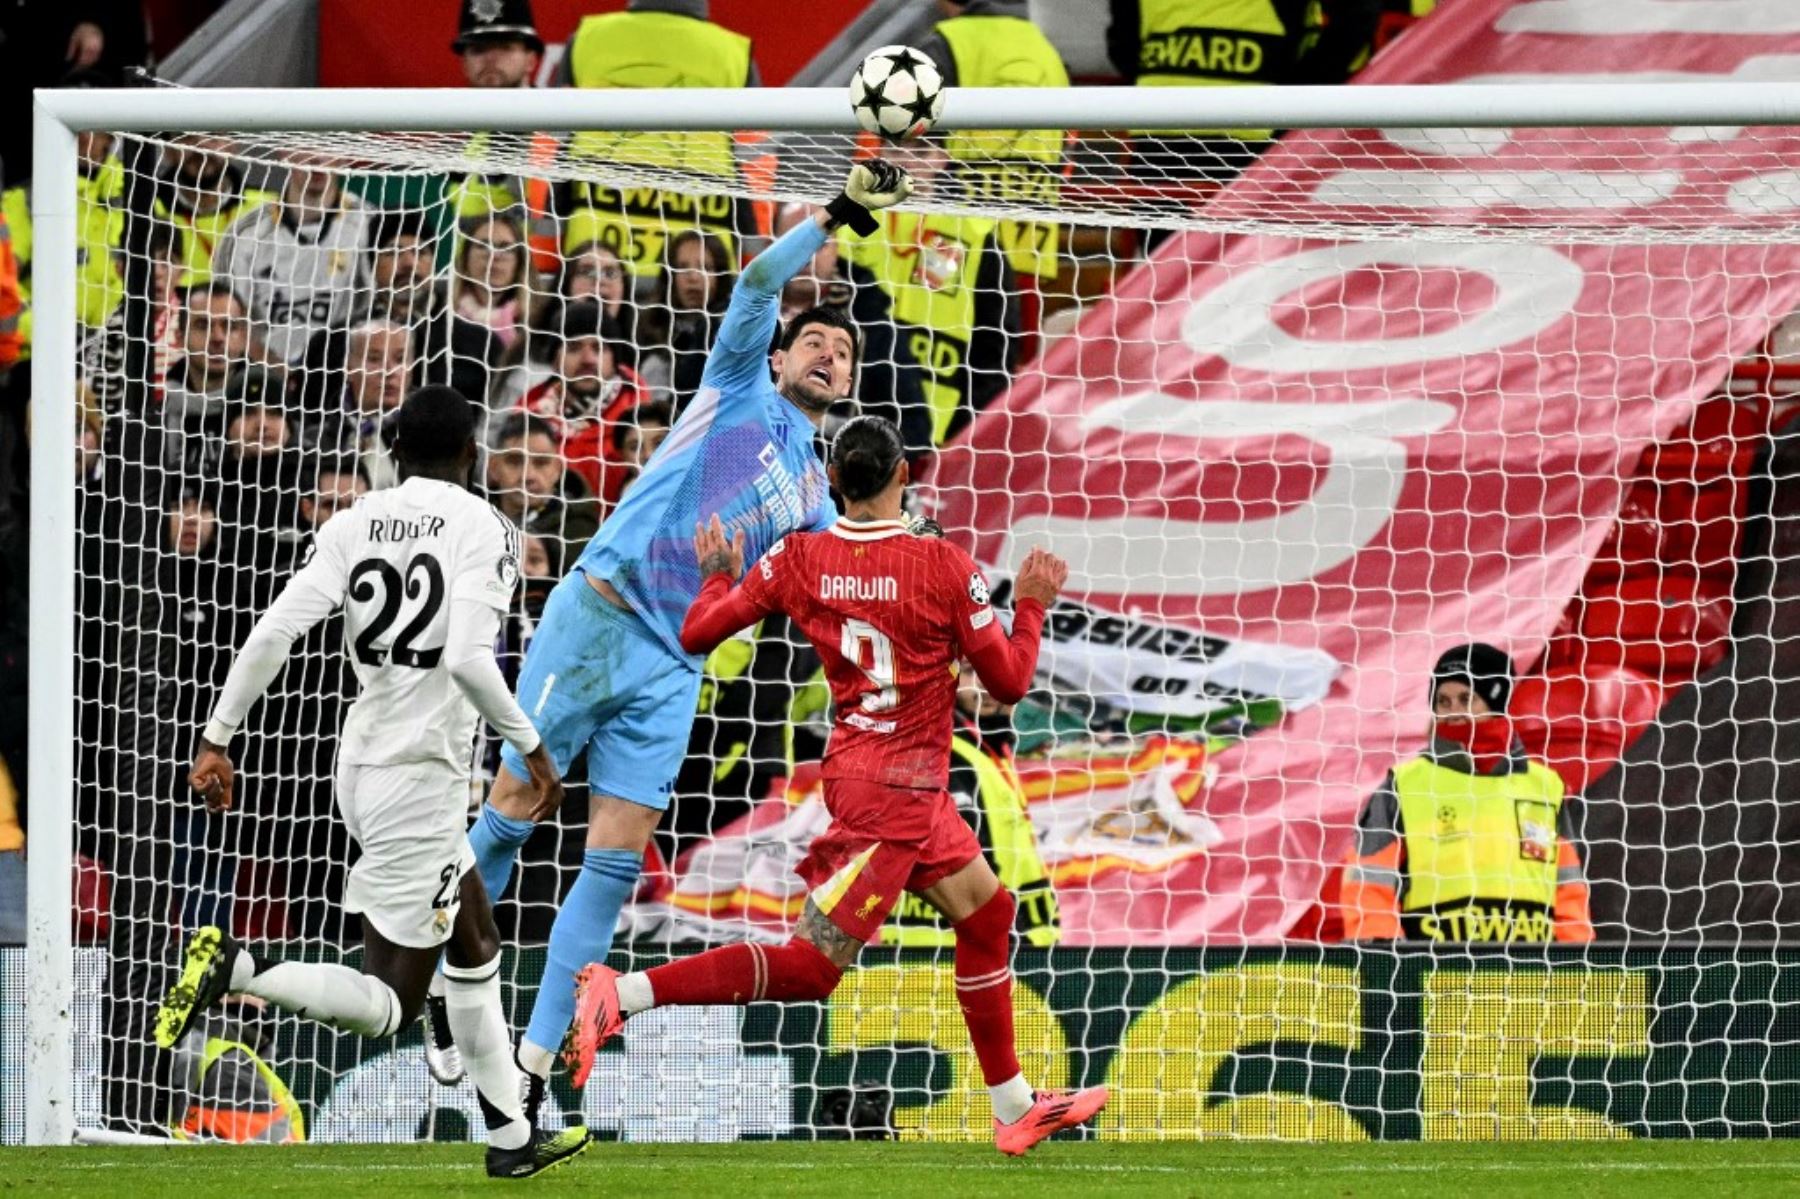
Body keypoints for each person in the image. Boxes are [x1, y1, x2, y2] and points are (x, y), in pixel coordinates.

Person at [449, 159, 916, 1116]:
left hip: (674, 666)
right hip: (601, 614)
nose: (829, 355)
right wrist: (837, 215)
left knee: (614, 859)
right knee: (517, 798)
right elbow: (754, 285)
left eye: (845, 352)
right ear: (781, 357)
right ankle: (449, 1007)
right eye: (815, 341)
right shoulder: (737, 385)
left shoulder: (819, 501)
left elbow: (834, 583)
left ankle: (532, 1064)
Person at [565, 415, 1104, 1154]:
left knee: (987, 915)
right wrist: (1034, 602)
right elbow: (1008, 682)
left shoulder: (797, 557)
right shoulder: (945, 565)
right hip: (893, 794)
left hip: (887, 777)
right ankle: (621, 993)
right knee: (814, 967)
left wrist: (721, 571)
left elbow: (697, 633)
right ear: (903, 477)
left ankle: (1014, 1106)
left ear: (834, 484)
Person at [152, 386, 590, 1178]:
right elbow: (466, 658)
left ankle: (512, 1136)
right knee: (389, 1004)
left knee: (476, 939)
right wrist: (529, 746)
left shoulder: (352, 521)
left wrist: (217, 736)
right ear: (471, 453)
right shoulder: (482, 524)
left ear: (392, 451)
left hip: (360, 764)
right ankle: (240, 969)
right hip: (420, 781)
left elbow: (276, 629)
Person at [1341, 643, 1596, 944]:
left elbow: (1568, 891)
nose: (1453, 713)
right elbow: (1369, 886)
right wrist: (1385, 964)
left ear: (1497, 702)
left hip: (1529, 976)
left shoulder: (1546, 787)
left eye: (1466, 699)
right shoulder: (1403, 785)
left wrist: (1578, 961)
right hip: (1437, 974)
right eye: (1443, 701)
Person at [562, 0, 755, 278]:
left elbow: (548, 161)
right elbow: (757, 175)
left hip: (592, 262)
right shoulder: (732, 55)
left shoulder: (587, 41)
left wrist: (545, 263)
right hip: (704, 271)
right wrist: (756, 278)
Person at [914, 2, 1071, 287]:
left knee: (938, 319)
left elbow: (913, 147)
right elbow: (1067, 142)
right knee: (1017, 327)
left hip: (953, 235)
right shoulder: (1044, 47)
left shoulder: (945, 44)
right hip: (1030, 232)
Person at [772, 201, 930, 458]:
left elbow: (915, 431)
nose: (806, 256)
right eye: (794, 241)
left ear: (836, 250)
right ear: (771, 245)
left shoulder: (875, 327)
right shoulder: (732, 317)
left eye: (819, 245)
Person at [212, 160, 373, 365]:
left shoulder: (369, 224)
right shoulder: (245, 233)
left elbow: (381, 312)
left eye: (327, 143)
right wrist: (275, 370)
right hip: (262, 376)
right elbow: (224, 320)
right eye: (308, 143)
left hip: (343, 373)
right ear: (286, 151)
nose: (318, 159)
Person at [362, 209, 500, 407]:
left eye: (421, 252)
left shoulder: (480, 345)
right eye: (394, 252)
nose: (410, 263)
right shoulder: (338, 342)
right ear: (372, 264)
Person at [156, 137, 279, 287]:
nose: (201, 146)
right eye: (188, 138)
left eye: (213, 136)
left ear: (232, 146)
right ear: (169, 150)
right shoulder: (146, 211)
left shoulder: (267, 207)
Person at [160, 282, 257, 470]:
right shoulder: (158, 415)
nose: (218, 337)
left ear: (244, 337)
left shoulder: (272, 410)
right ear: (180, 337)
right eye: (203, 325)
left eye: (229, 326)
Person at [635, 229, 734, 412]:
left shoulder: (734, 329)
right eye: (683, 267)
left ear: (721, 276)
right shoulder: (648, 327)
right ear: (670, 276)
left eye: (705, 267)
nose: (693, 277)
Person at [484, 411, 602, 563]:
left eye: (541, 463)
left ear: (557, 470)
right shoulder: (473, 523)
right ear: (494, 468)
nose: (528, 476)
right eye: (514, 461)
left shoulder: (581, 532)